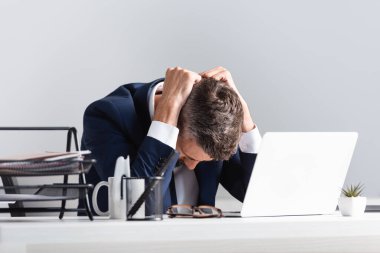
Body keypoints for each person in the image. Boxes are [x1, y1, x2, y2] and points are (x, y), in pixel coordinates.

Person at [81, 66, 262, 213]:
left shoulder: (209, 121)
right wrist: (167, 117)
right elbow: (137, 207)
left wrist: (246, 122)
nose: (191, 166)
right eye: (188, 156)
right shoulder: (105, 116)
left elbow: (259, 196)